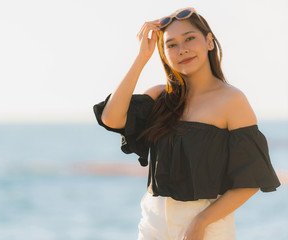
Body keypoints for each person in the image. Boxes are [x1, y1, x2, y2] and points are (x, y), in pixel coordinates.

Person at [93, 7, 281, 240]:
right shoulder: (159, 96)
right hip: (153, 224)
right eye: (171, 45)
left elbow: (251, 179)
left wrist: (199, 223)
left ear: (209, 42)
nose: (182, 50)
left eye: (190, 38)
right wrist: (142, 57)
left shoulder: (232, 100)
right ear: (164, 53)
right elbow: (111, 118)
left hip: (208, 228)